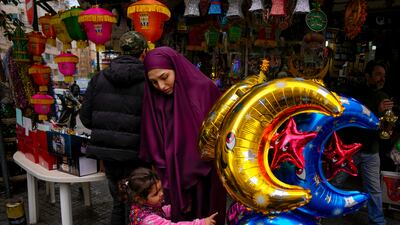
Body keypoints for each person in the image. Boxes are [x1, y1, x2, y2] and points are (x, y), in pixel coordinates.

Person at [139, 47, 226, 224]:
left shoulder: (204, 89)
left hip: (207, 175)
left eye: (164, 77)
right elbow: (152, 141)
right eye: (154, 83)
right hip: (172, 175)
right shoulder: (154, 99)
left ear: (176, 67)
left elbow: (221, 133)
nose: (161, 87)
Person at [80, 31, 149, 225]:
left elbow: (85, 118)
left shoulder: (99, 78)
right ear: (143, 52)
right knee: (138, 204)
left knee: (119, 202)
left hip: (109, 157)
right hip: (137, 155)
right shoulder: (149, 81)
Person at [334, 60, 394, 225]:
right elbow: (356, 115)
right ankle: (325, 212)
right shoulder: (355, 93)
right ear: (367, 76)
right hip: (350, 149)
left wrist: (389, 119)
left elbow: (383, 126)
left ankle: (378, 220)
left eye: (383, 75)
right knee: (335, 182)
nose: (382, 78)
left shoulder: (384, 96)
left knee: (374, 189)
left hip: (371, 150)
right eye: (378, 75)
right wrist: (377, 110)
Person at [118, 167, 219, 225]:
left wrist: (176, 207)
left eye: (160, 188)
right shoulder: (148, 220)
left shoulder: (140, 206)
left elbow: (159, 211)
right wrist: (202, 223)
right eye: (156, 193)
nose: (161, 193)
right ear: (140, 199)